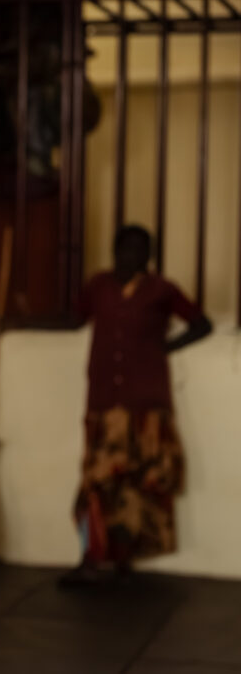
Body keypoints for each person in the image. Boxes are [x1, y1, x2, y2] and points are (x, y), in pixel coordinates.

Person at [62, 225, 211, 585]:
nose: (134, 255)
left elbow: (201, 324)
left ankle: (124, 559)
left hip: (146, 405)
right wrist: (22, 318)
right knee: (97, 482)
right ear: (115, 250)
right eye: (127, 248)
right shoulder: (98, 286)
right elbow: (73, 319)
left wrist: (166, 348)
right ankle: (91, 557)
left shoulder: (162, 289)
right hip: (104, 404)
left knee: (140, 483)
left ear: (150, 255)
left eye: (142, 249)